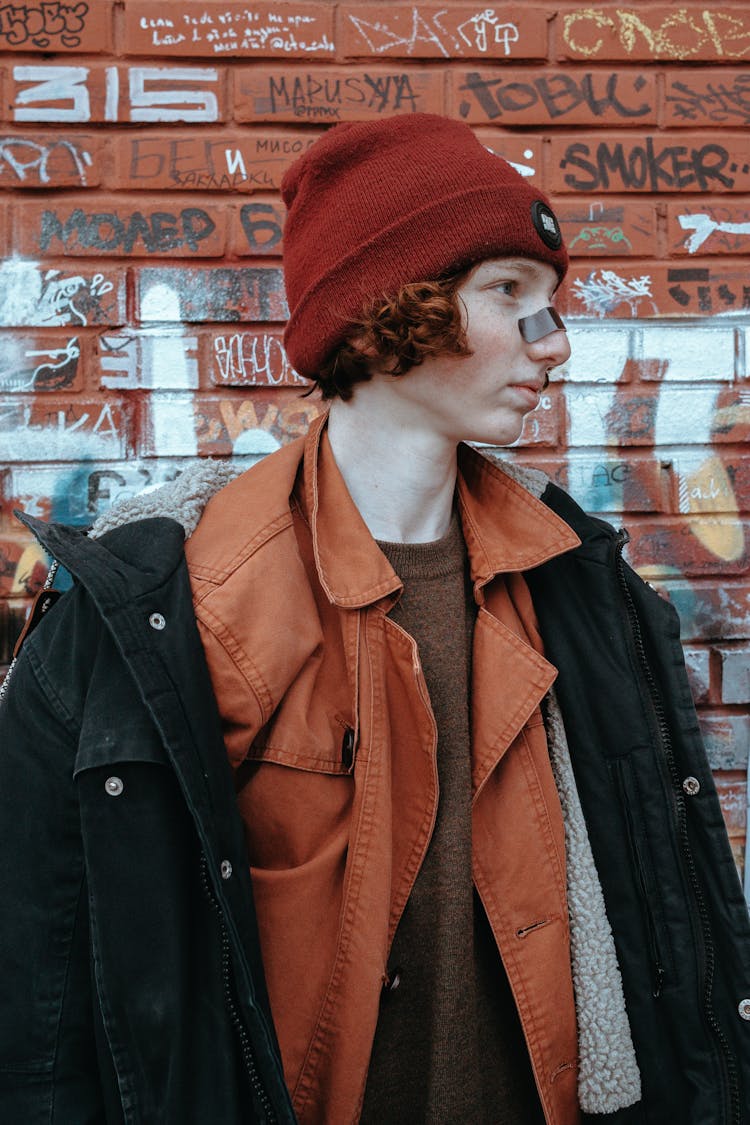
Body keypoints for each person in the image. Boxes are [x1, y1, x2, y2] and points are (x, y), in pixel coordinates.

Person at [0, 114, 749, 1125]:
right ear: (391, 308)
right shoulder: (154, 616)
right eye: (509, 295)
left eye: (553, 304)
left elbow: (677, 931)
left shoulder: (589, 593)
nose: (555, 341)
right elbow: (47, 1006)